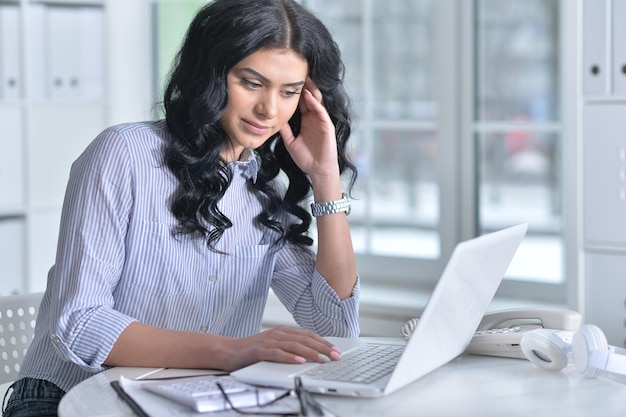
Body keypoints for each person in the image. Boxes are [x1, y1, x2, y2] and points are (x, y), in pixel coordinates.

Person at [2, 0, 359, 415]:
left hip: (189, 403)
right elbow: (79, 325)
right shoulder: (124, 155)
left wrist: (325, 177)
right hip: (68, 398)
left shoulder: (266, 188)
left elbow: (336, 326)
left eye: (290, 92)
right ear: (211, 73)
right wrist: (233, 351)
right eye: (252, 83)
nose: (270, 110)